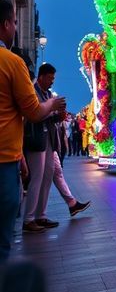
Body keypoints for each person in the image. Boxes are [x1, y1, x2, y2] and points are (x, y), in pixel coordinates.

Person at [0, 0, 65, 260]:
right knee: (3, 238)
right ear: (5, 25)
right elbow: (34, 112)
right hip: (4, 159)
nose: (16, 27)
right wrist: (53, 104)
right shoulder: (12, 62)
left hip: (13, 156)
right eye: (15, 22)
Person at [23, 64, 67, 232]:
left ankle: (41, 215)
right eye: (50, 78)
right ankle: (29, 219)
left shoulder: (48, 94)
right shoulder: (33, 92)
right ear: (41, 77)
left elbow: (48, 117)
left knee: (48, 176)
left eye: (53, 79)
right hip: (36, 140)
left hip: (48, 140)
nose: (51, 82)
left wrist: (58, 115)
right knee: (37, 178)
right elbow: (34, 114)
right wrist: (52, 110)